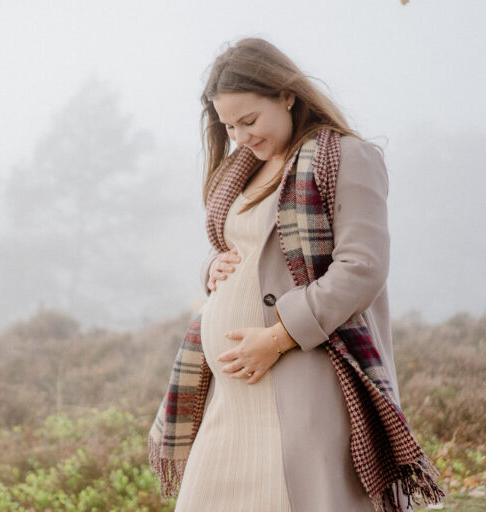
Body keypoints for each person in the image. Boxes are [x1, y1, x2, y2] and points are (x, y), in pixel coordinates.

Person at [148, 37, 442, 511]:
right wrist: (211, 266)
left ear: (286, 94)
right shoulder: (240, 171)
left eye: (249, 120)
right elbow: (240, 248)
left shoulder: (347, 157)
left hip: (305, 375)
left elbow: (362, 268)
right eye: (229, 125)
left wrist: (279, 337)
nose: (241, 136)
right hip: (232, 389)